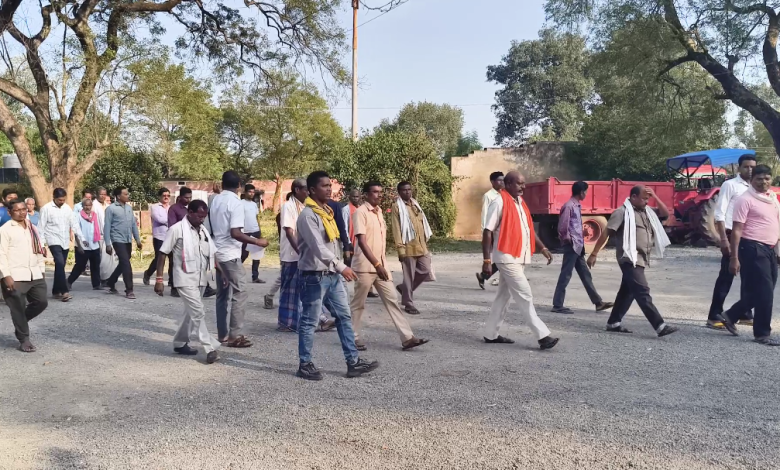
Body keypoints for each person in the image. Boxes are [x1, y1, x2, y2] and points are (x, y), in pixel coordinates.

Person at [295, 170, 379, 381]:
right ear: (312, 190)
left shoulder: (328, 212)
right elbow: (318, 248)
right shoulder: (308, 216)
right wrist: (342, 267)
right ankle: (304, 364)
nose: (329, 189)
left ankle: (353, 362)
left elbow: (334, 243)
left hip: (332, 275)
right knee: (309, 321)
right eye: (324, 186)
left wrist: (340, 265)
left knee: (344, 316)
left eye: (329, 185)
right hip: (314, 276)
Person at [481, 171, 559, 350]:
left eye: (524, 183)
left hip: (519, 256)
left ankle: (490, 334)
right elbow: (487, 231)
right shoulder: (499, 202)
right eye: (519, 183)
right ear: (508, 184)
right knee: (525, 295)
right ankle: (542, 336)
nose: (523, 187)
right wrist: (486, 260)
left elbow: (528, 229)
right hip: (506, 257)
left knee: (503, 297)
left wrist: (543, 248)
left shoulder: (520, 202)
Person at [587, 186, 678, 337]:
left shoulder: (647, 211)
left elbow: (665, 214)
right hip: (628, 258)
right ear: (633, 197)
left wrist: (655, 196)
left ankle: (613, 323)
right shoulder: (621, 212)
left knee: (627, 291)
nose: (646, 202)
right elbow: (606, 233)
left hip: (641, 258)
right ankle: (659, 325)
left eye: (648, 199)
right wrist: (594, 253)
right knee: (642, 291)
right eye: (644, 199)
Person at [350, 181, 429, 351]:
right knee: (358, 304)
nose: (379, 195)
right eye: (375, 192)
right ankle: (352, 337)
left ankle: (407, 338)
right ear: (366, 195)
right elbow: (362, 242)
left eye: (380, 192)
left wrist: (381, 265)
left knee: (392, 300)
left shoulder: (379, 212)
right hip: (365, 266)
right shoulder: (360, 212)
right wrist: (377, 264)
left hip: (381, 267)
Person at [717, 165, 780, 346]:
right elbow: (737, 230)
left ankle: (730, 315)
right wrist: (734, 257)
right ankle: (762, 334)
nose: (763, 182)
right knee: (765, 291)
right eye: (759, 179)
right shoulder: (745, 200)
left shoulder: (772, 199)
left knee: (764, 290)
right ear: (751, 180)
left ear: (771, 179)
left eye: (767, 178)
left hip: (769, 249)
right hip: (752, 248)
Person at [154, 199, 222, 363]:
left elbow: (212, 253)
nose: (202, 219)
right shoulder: (176, 229)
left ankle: (180, 343)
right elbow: (163, 253)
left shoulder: (203, 231)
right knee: (198, 311)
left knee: (190, 314)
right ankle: (210, 348)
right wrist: (159, 279)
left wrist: (223, 274)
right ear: (189, 213)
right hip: (184, 278)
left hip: (200, 279)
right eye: (199, 216)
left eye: (204, 216)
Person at [211, 171, 268, 347]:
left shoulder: (215, 200)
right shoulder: (235, 203)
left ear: (222, 184)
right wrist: (257, 241)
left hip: (218, 251)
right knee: (240, 292)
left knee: (222, 295)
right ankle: (234, 335)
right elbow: (235, 233)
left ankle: (223, 334)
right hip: (229, 254)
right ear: (239, 186)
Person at [707, 154, 757, 329]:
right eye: (746, 167)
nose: (749, 170)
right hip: (731, 234)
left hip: (750, 236)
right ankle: (714, 315)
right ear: (739, 168)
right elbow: (719, 213)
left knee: (749, 277)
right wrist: (723, 239)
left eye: (752, 167)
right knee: (726, 276)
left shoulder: (756, 187)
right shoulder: (730, 185)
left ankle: (744, 313)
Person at [551, 181, 613, 314]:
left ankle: (598, 303)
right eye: (586, 191)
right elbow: (562, 227)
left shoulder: (576, 205)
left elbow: (572, 226)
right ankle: (557, 305)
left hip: (578, 247)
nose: (586, 194)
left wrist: (580, 235)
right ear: (581, 192)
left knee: (585, 274)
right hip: (572, 246)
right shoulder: (569, 206)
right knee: (565, 275)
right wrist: (569, 239)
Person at [0, 200, 48, 352]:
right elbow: (1, 254)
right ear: (9, 212)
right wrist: (6, 275)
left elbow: (38, 249)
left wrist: (41, 269)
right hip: (15, 275)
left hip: (34, 273)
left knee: (41, 302)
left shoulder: (32, 227)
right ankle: (24, 339)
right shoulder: (5, 230)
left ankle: (20, 323)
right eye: (17, 210)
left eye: (24, 209)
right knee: (18, 308)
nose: (22, 212)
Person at [391, 181, 434, 315]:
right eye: (404, 190)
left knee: (425, 270)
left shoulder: (415, 204)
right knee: (408, 276)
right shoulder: (397, 207)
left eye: (409, 189)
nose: (407, 192)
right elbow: (396, 229)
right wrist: (400, 249)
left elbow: (422, 225)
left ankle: (404, 289)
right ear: (399, 192)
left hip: (421, 246)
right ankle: (408, 303)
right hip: (408, 247)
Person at [277, 179, 308, 331]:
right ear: (297, 190)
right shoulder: (288, 206)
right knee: (289, 290)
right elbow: (289, 232)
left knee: (301, 290)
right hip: (292, 254)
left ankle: (297, 321)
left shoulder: (304, 206)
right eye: (306, 189)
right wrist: (300, 252)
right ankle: (286, 323)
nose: (308, 192)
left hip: (302, 253)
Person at [39, 188, 78, 302]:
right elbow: (41, 227)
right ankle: (65, 291)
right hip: (53, 239)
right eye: (60, 200)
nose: (62, 202)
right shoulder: (46, 209)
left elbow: (74, 223)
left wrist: (80, 237)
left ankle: (56, 291)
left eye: (63, 200)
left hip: (65, 241)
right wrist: (42, 244)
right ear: (54, 198)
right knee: (60, 262)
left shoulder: (67, 208)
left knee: (60, 265)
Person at [104, 187, 142, 299]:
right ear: (119, 196)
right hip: (117, 239)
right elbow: (107, 226)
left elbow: (133, 225)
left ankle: (111, 282)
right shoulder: (111, 209)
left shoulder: (129, 208)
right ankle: (129, 290)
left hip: (127, 239)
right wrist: (107, 244)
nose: (127, 195)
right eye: (125, 194)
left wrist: (137, 240)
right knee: (126, 263)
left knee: (124, 262)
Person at [342, 189, 377, 298]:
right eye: (353, 197)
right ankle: (352, 291)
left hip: (363, 241)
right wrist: (347, 242)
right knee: (353, 267)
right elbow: (344, 226)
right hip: (351, 241)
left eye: (357, 197)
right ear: (349, 197)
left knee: (366, 265)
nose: (355, 199)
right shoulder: (346, 209)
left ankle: (369, 289)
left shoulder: (362, 209)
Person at [264, 191, 293, 310]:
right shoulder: (283, 214)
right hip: (287, 247)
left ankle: (271, 295)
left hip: (290, 247)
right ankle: (270, 295)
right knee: (283, 275)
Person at [476, 172, 504, 289]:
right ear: (492, 182)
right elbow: (485, 215)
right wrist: (485, 233)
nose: (502, 182)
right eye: (499, 180)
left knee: (503, 257)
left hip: (502, 232)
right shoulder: (488, 196)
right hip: (491, 231)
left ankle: (484, 276)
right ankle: (488, 276)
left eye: (503, 180)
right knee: (502, 257)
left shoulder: (505, 195)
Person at [67, 198, 102, 290]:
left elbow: (97, 229)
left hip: (94, 244)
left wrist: (99, 244)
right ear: (82, 206)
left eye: (89, 205)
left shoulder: (94, 215)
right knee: (80, 266)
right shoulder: (78, 216)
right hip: (83, 245)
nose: (88, 207)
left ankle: (96, 284)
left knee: (95, 265)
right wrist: (79, 246)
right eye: (86, 205)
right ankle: (69, 282)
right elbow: (76, 232)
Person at [143, 188, 173, 291]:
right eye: (164, 195)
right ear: (160, 196)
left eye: (168, 195)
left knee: (172, 259)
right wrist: (171, 220)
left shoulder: (171, 208)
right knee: (159, 259)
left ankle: (171, 280)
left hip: (170, 236)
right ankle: (148, 273)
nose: (166, 197)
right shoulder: (154, 207)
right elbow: (159, 219)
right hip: (159, 236)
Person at [93, 187, 117, 287]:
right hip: (99, 235)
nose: (103, 196)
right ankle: (102, 278)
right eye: (101, 194)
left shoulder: (108, 206)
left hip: (109, 234)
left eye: (104, 194)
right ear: (97, 194)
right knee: (102, 258)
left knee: (110, 258)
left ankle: (109, 278)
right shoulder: (94, 206)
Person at [240, 184, 264, 284]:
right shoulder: (240, 203)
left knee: (256, 255)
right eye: (249, 192)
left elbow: (256, 218)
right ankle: (235, 274)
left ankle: (255, 277)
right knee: (244, 255)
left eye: (253, 192)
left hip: (255, 231)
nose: (251, 194)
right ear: (245, 192)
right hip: (245, 232)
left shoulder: (254, 204)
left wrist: (260, 230)